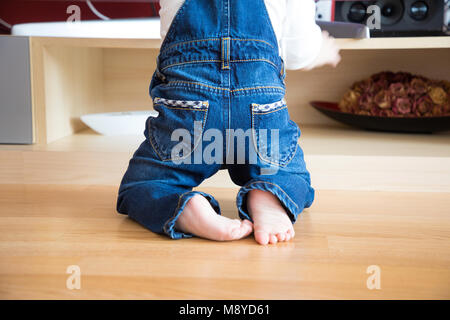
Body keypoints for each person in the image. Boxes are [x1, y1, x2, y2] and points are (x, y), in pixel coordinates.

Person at [116, 0, 341, 245]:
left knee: (144, 185)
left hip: (189, 114)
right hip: (259, 112)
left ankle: (186, 207)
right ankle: (269, 195)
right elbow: (300, 52)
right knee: (290, 174)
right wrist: (322, 51)